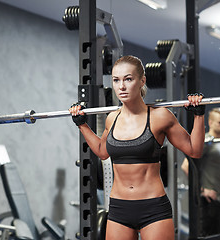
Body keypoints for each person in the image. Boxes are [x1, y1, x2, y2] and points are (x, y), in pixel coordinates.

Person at [69, 55, 205, 240]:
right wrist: (82, 125)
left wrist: (198, 116)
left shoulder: (160, 116)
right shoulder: (112, 118)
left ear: (142, 81)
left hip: (153, 208)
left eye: (128, 79)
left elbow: (194, 150)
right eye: (116, 80)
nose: (121, 87)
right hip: (118, 208)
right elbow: (102, 152)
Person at [181, 107, 220, 236]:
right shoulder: (206, 141)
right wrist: (202, 190)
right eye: (219, 122)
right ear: (210, 122)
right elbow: (186, 166)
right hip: (210, 201)